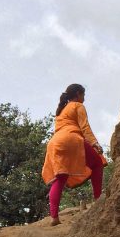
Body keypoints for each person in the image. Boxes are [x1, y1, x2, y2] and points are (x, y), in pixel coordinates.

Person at [41, 83, 106, 225]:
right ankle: (98, 200)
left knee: (60, 177)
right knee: (98, 163)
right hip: (70, 138)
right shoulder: (78, 106)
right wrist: (94, 143)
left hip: (54, 143)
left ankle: (54, 217)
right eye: (83, 94)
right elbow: (84, 127)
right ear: (78, 94)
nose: (84, 98)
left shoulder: (61, 111)